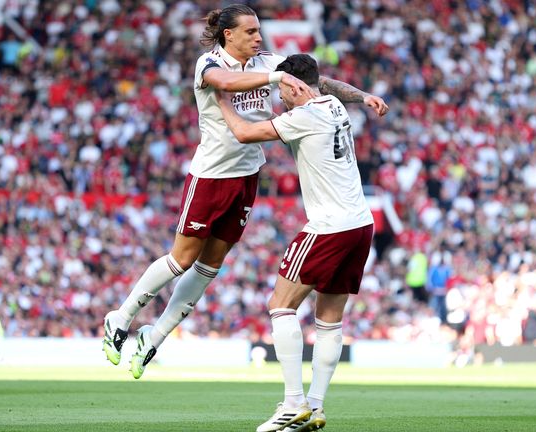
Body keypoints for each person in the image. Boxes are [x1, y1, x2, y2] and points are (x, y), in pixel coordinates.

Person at [102, 4, 388, 380]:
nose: (258, 37)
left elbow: (317, 83)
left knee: (208, 268)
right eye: (250, 32)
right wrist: (275, 77)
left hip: (247, 174)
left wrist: (360, 94)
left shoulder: (267, 62)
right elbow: (226, 84)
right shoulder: (209, 63)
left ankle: (152, 338)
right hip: (211, 176)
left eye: (258, 31)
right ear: (229, 35)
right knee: (182, 259)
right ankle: (120, 318)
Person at [217, 54, 374, 432]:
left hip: (329, 226)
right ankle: (315, 407)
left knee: (280, 305)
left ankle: (292, 403)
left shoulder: (305, 116)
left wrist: (219, 99)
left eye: (280, 90)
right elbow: (330, 86)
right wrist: (363, 95)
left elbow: (243, 132)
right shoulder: (333, 104)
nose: (279, 98)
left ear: (292, 85)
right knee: (329, 320)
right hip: (360, 224)